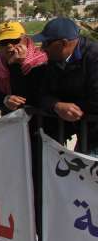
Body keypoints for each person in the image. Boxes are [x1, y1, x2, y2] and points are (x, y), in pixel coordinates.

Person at [35, 18, 98, 152]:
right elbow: (42, 93)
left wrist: (71, 107)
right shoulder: (55, 59)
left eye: (46, 43)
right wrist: (56, 106)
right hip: (78, 130)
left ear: (63, 43)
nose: (42, 48)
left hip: (93, 135)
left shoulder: (94, 56)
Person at [0, 22, 48, 111]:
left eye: (14, 41)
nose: (9, 46)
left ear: (25, 40)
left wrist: (15, 64)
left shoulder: (40, 62)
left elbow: (26, 98)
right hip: (9, 120)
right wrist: (4, 99)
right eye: (4, 42)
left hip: (35, 121)